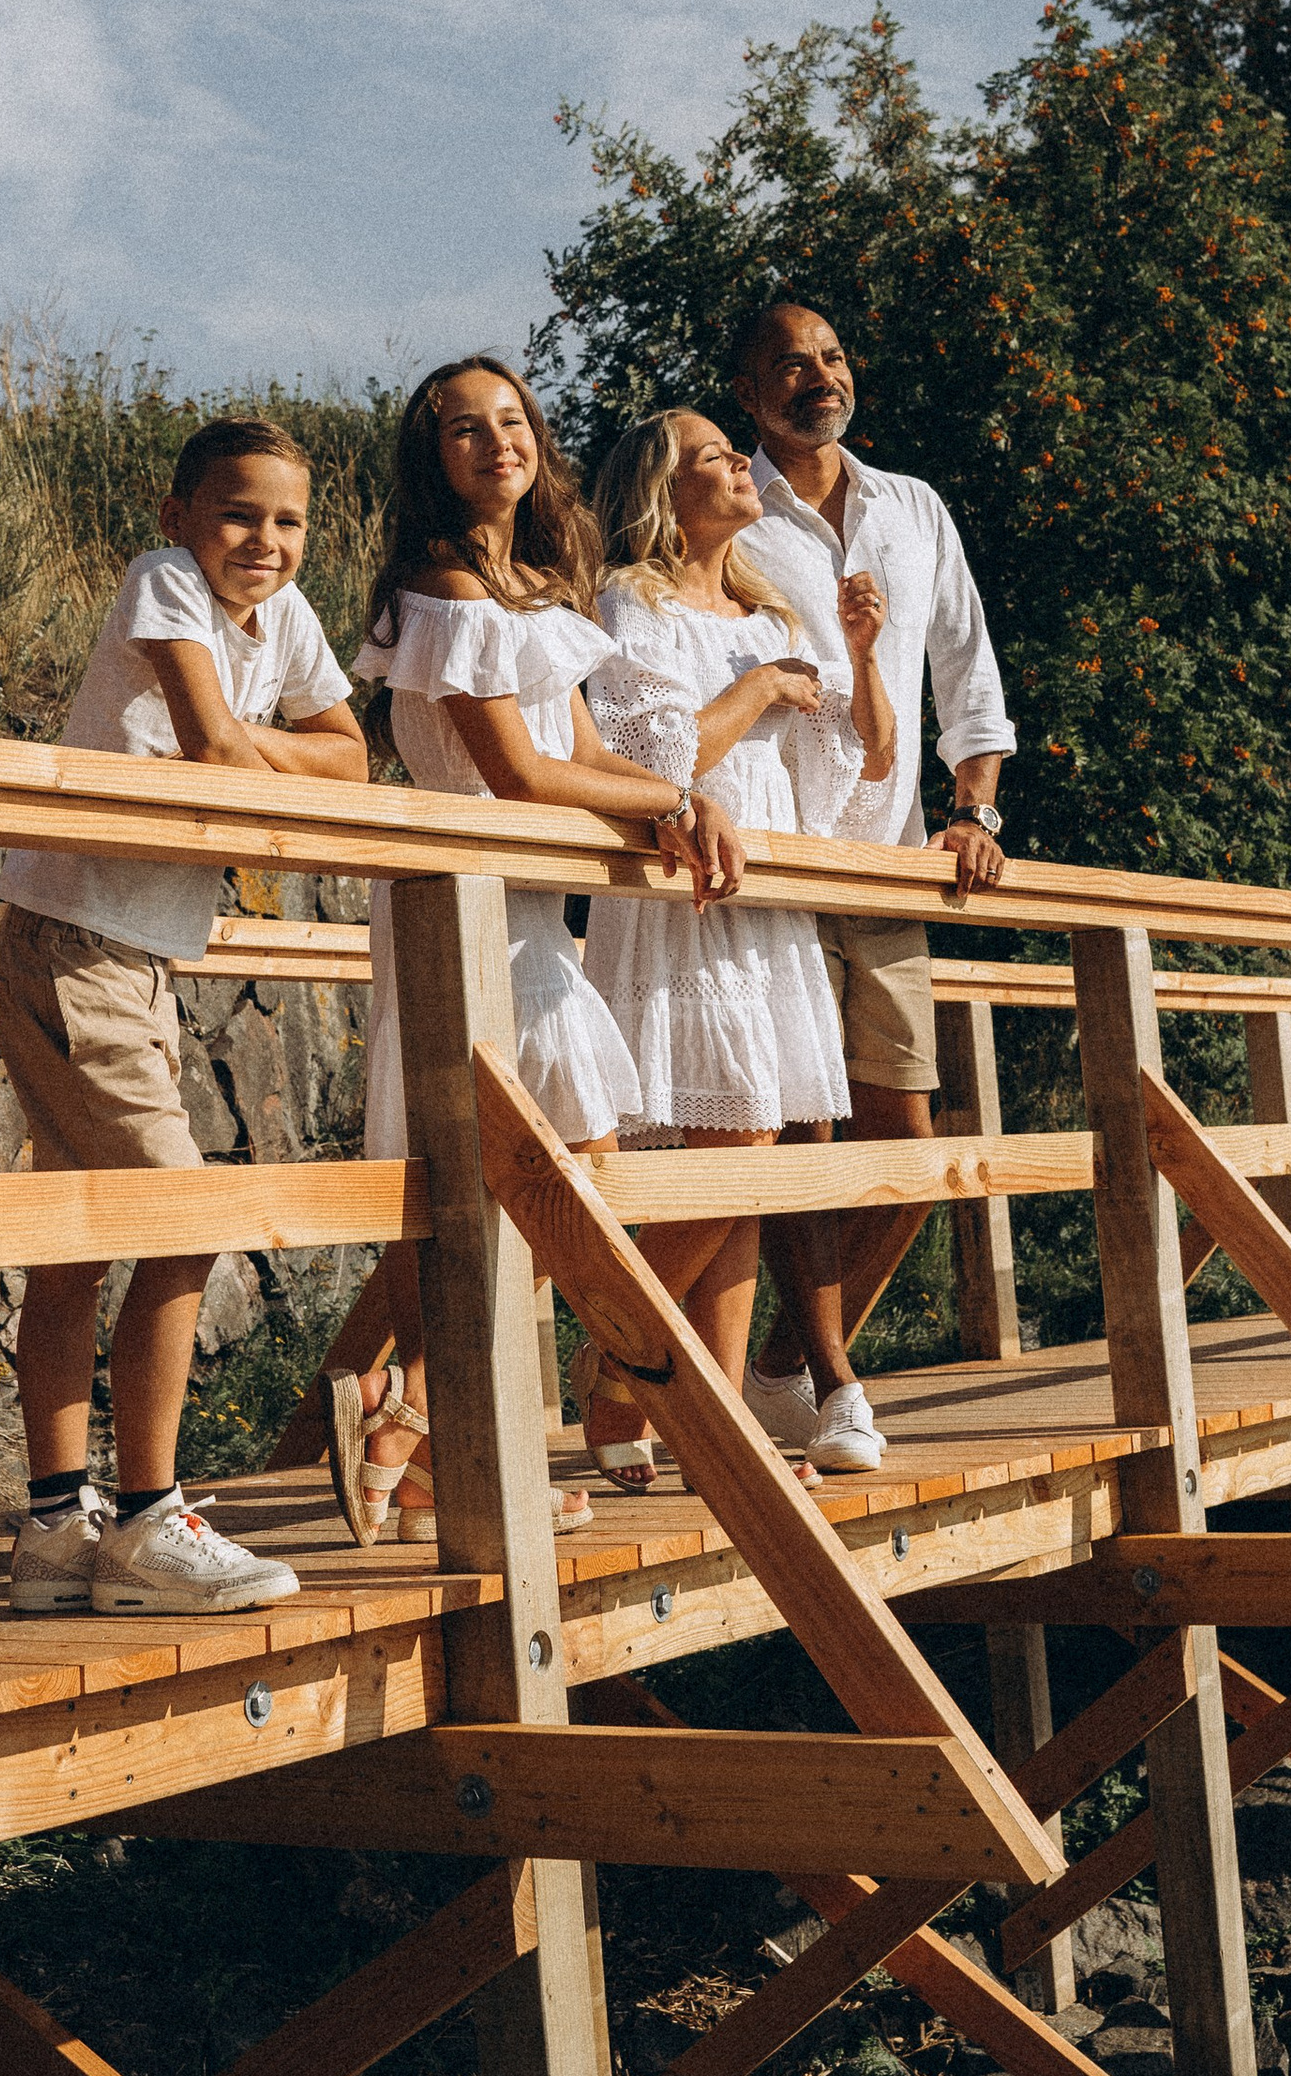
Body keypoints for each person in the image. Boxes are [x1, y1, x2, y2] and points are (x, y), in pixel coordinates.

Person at [336, 356, 745, 1547]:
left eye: (511, 420)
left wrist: (680, 796)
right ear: (433, 458)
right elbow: (515, 773)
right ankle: (418, 1418)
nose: (496, 442)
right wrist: (671, 803)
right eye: (465, 429)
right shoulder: (442, 585)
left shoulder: (529, 588)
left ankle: (417, 1429)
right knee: (531, 1181)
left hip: (526, 917)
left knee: (553, 1179)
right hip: (460, 909)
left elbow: (584, 752)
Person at [0, 419, 367, 1614]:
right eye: (238, 513)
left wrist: (254, 749)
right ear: (179, 518)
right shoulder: (164, 579)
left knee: (81, 1236)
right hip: (72, 940)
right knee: (182, 1216)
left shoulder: (282, 615)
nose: (265, 540)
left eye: (288, 520)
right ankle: (149, 1520)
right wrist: (254, 749)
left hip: (137, 955)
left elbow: (353, 759)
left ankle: (57, 1531)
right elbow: (207, 746)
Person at [576, 409, 897, 1487]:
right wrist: (760, 688)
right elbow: (655, 758)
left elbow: (850, 776)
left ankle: (706, 1425)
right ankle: (617, 1359)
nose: (736, 466)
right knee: (738, 1142)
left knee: (746, 1174)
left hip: (763, 896)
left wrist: (859, 659)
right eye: (711, 456)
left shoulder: (770, 613)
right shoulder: (631, 601)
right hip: (685, 893)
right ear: (662, 492)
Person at [727, 298, 1017, 1459]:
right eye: (788, 365)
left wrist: (974, 809)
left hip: (890, 859)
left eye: (832, 357)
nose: (818, 378)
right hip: (774, 857)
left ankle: (779, 1367)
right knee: (803, 1134)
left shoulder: (911, 506)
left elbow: (967, 666)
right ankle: (839, 1382)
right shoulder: (728, 507)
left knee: (908, 1147)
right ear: (748, 394)